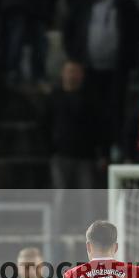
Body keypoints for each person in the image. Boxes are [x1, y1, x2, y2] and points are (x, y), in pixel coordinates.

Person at [64, 0, 139, 159]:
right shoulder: (81, 3)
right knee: (91, 111)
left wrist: (131, 60)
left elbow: (137, 31)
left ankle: (117, 148)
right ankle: (96, 150)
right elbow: (69, 31)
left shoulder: (125, 3)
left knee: (116, 110)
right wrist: (75, 57)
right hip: (89, 69)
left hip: (117, 69)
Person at [47, 61, 96, 192]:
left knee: (87, 196)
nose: (72, 75)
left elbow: (98, 126)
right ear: (62, 73)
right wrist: (50, 148)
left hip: (85, 156)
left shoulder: (90, 98)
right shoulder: (54, 97)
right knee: (61, 194)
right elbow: (45, 123)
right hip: (60, 154)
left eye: (75, 71)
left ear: (82, 75)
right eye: (69, 71)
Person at [0, 0, 51, 86]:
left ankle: (38, 74)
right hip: (18, 1)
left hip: (37, 3)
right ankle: (13, 72)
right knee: (16, 40)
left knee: (40, 42)